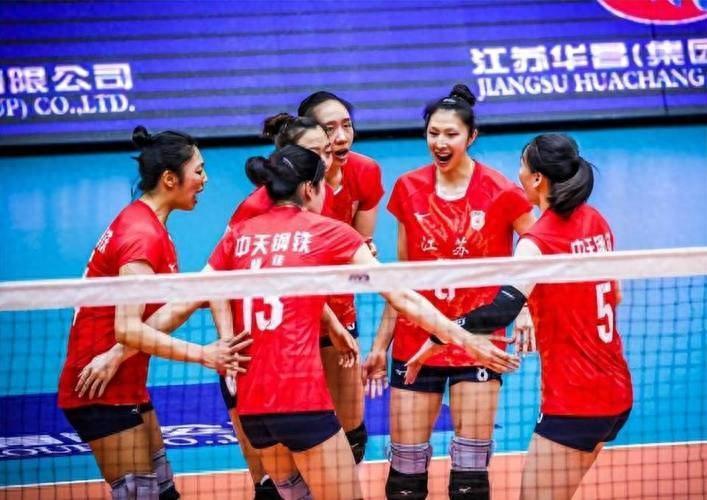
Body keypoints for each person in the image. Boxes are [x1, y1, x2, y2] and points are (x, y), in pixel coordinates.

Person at [207, 145, 519, 500]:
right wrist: (465, 337)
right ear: (309, 189)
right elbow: (401, 296)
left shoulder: (238, 235)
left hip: (252, 407)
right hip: (301, 402)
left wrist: (195, 348)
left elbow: (196, 292)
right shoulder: (328, 232)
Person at [407, 133, 633, 500]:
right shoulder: (596, 221)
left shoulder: (537, 241)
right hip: (616, 389)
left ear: (538, 178)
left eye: (522, 167)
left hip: (575, 400)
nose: (518, 175)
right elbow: (615, 294)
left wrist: (438, 337)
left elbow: (501, 310)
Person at [363, 84, 536, 500]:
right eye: (433, 133)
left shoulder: (502, 192)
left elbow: (538, 254)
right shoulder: (407, 188)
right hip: (416, 338)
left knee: (470, 477)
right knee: (404, 476)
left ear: (471, 136)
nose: (440, 142)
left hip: (476, 340)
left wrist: (524, 308)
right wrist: (380, 346)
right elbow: (403, 279)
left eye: (451, 134)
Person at [58, 126, 248, 500]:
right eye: (199, 171)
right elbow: (129, 329)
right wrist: (204, 354)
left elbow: (159, 312)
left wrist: (213, 288)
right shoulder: (140, 236)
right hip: (98, 388)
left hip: (124, 379)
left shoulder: (148, 224)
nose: (205, 180)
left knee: (163, 492)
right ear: (169, 179)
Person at [221, 112, 357, 500]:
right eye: (315, 152)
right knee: (275, 486)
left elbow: (288, 277)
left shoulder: (316, 195)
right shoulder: (255, 211)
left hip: (301, 341)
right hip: (259, 360)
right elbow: (218, 284)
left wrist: (332, 323)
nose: (325, 159)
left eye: (326, 151)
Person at [298, 91, 385, 467]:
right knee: (300, 427)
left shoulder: (365, 172)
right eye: (330, 128)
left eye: (347, 125)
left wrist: (364, 253)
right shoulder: (289, 182)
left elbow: (361, 242)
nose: (342, 136)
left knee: (353, 434)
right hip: (294, 314)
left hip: (340, 306)